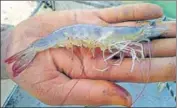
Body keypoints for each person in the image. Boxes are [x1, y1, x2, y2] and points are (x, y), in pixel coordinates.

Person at [2, 3, 176, 107]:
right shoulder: (123, 38)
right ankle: (25, 51)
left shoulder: (125, 35)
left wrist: (6, 44)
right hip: (65, 36)